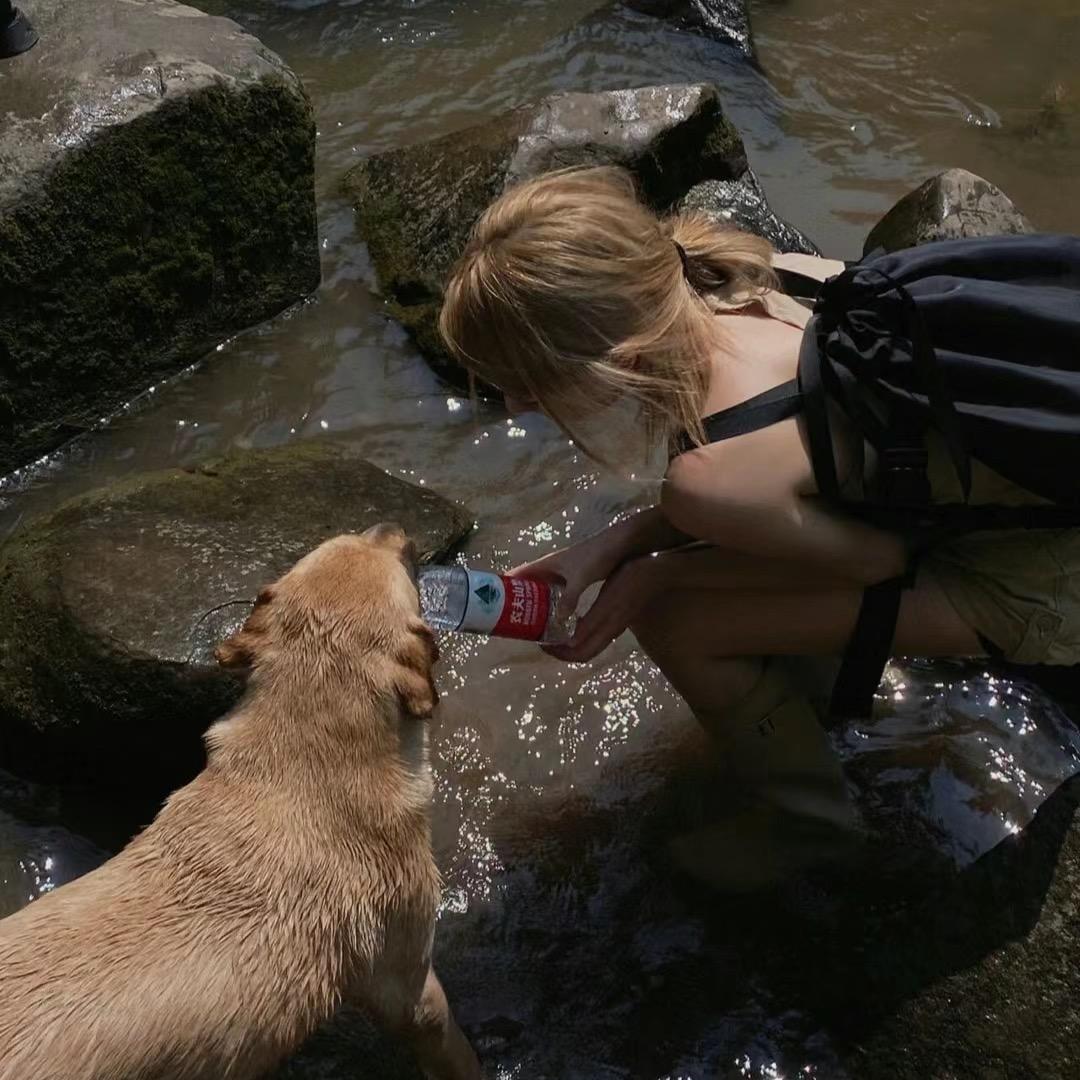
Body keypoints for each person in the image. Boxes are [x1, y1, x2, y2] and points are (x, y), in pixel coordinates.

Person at [437, 165, 1080, 889]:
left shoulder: (707, 479)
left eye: (530, 382)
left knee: (677, 622)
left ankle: (811, 825)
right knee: (727, 554)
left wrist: (657, 573)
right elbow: (799, 476)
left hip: (1037, 578)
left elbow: (879, 561)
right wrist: (613, 543)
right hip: (1030, 486)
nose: (519, 406)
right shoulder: (752, 273)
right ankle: (833, 694)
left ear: (620, 362)